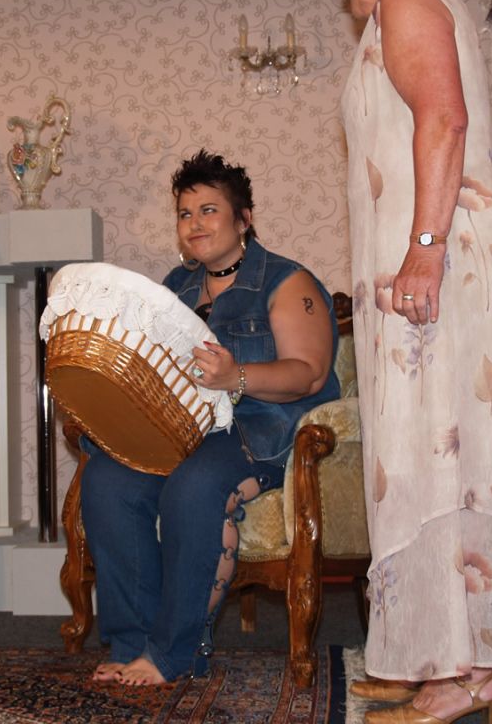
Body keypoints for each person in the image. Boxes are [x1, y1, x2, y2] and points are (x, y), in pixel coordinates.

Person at [318, 0, 492, 722]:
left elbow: (444, 120)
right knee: (435, 454)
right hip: (437, 259)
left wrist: (424, 252)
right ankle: (444, 655)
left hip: (445, 260)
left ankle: (467, 670)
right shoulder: (412, 3)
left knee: (448, 450)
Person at [79, 150, 341, 685]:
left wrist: (235, 376)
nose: (194, 223)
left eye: (208, 210)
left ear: (243, 219)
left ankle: (173, 652)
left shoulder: (286, 282)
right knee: (107, 478)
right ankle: (132, 642)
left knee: (194, 486)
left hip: (262, 431)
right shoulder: (174, 287)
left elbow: (310, 374)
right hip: (184, 431)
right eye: (184, 213)